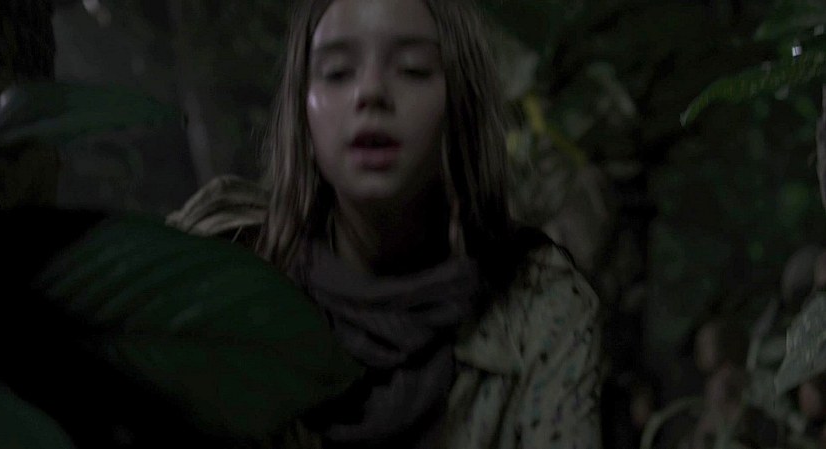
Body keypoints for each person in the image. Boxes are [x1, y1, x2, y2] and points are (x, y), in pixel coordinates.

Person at [169, 0, 603, 447]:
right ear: (303, 112)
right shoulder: (216, 266)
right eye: (338, 72)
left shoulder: (538, 305)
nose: (371, 91)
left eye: (413, 69)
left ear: (461, 106)